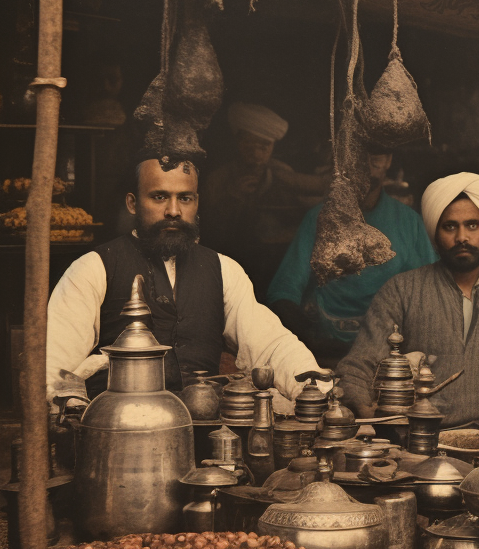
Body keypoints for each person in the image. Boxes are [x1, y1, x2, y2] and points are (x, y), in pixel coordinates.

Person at [46, 156, 328, 409]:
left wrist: (315, 388)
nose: (173, 211)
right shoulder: (93, 268)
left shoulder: (223, 270)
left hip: (205, 438)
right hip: (118, 438)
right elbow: (54, 367)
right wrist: (70, 404)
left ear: (197, 202)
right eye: (159, 197)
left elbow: (270, 345)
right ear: (132, 203)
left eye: (185, 198)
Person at [335, 173, 479, 426]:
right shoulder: (401, 291)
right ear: (435, 235)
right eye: (449, 227)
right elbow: (359, 365)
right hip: (422, 444)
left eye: (472, 225)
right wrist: (362, 408)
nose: (461, 238)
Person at [266, 145, 437, 350]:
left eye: (376, 155)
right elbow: (284, 290)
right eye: (358, 155)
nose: (367, 162)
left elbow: (432, 291)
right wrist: (309, 338)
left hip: (393, 349)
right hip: (327, 342)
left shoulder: (409, 222)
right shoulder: (318, 219)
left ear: (389, 160)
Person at [203, 102, 328, 293]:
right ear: (238, 142)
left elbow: (304, 212)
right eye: (249, 146)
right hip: (229, 265)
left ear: (273, 146)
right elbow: (206, 227)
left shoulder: (284, 174)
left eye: (264, 147)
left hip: (275, 265)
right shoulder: (218, 179)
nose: (256, 154)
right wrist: (233, 195)